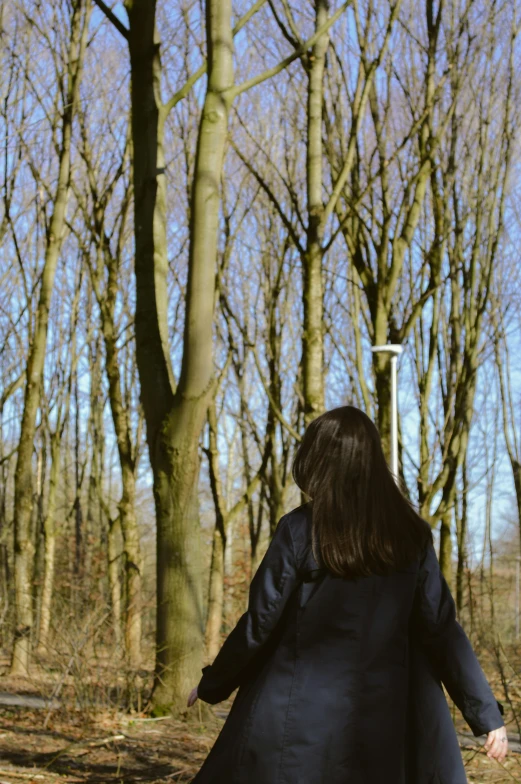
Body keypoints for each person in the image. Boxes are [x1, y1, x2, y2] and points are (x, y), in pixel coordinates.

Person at [187, 405, 508, 783]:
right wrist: (486, 716)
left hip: (300, 727)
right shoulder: (411, 535)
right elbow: (441, 630)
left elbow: (259, 622)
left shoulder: (299, 529)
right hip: (386, 726)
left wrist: (213, 683)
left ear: (318, 461)